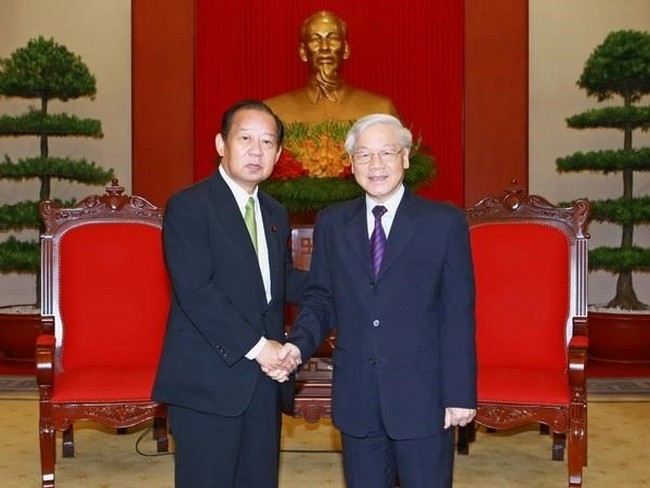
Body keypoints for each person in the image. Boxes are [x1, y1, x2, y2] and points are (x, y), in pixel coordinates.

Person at [274, 114, 477, 488]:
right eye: (364, 155)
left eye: (387, 152)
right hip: (358, 396)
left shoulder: (443, 223)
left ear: (406, 158)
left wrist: (460, 393)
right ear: (351, 165)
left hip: (423, 396)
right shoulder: (333, 223)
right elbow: (321, 298)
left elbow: (458, 314)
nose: (376, 164)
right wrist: (297, 347)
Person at [152, 100, 307, 488]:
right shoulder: (189, 206)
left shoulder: (274, 213)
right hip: (208, 380)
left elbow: (277, 281)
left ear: (279, 153)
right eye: (246, 138)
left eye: (267, 141)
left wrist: (343, 281)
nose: (256, 150)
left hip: (263, 382)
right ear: (221, 144)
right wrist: (260, 347)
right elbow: (196, 291)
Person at [264, 10, 399, 124]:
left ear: (346, 49)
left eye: (333, 38)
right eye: (315, 39)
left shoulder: (380, 109)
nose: (324, 47)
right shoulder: (273, 111)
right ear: (303, 52)